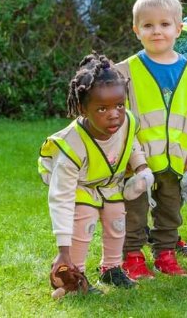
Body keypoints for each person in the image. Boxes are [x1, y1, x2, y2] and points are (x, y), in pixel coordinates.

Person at [116, 0, 187, 278]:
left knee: (170, 209)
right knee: (134, 209)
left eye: (165, 24)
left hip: (175, 159)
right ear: (136, 30)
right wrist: (130, 157)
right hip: (137, 160)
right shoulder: (126, 71)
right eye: (148, 25)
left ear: (178, 29)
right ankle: (132, 257)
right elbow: (117, 118)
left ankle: (165, 254)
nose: (157, 31)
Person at [38, 53, 147, 294]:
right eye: (102, 108)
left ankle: (111, 269)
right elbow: (61, 199)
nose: (114, 114)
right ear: (82, 109)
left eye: (119, 104)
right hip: (78, 184)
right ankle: (75, 275)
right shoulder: (71, 146)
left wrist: (141, 167)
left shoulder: (126, 122)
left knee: (117, 218)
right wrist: (62, 250)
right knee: (84, 219)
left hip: (107, 183)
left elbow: (132, 144)